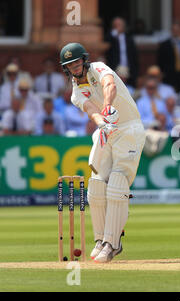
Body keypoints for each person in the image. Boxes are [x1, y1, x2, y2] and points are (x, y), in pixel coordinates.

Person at [59, 42, 145, 263]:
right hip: (106, 129)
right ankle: (100, 240)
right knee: (96, 183)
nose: (75, 66)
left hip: (128, 128)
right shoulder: (76, 92)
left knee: (117, 181)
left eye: (77, 61)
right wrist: (102, 122)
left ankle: (113, 243)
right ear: (66, 68)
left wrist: (107, 107)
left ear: (84, 60)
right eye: (71, 64)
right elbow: (90, 110)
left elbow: (110, 85)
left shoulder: (99, 68)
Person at [105, 17, 139, 86]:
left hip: (128, 67)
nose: (118, 27)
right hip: (115, 67)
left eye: (120, 25)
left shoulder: (129, 38)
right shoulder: (111, 37)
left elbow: (134, 54)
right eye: (116, 25)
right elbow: (106, 44)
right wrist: (114, 34)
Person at [157, 22, 180, 92]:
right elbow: (160, 61)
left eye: (177, 30)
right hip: (169, 76)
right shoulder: (164, 45)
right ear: (171, 31)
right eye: (174, 30)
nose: (176, 32)